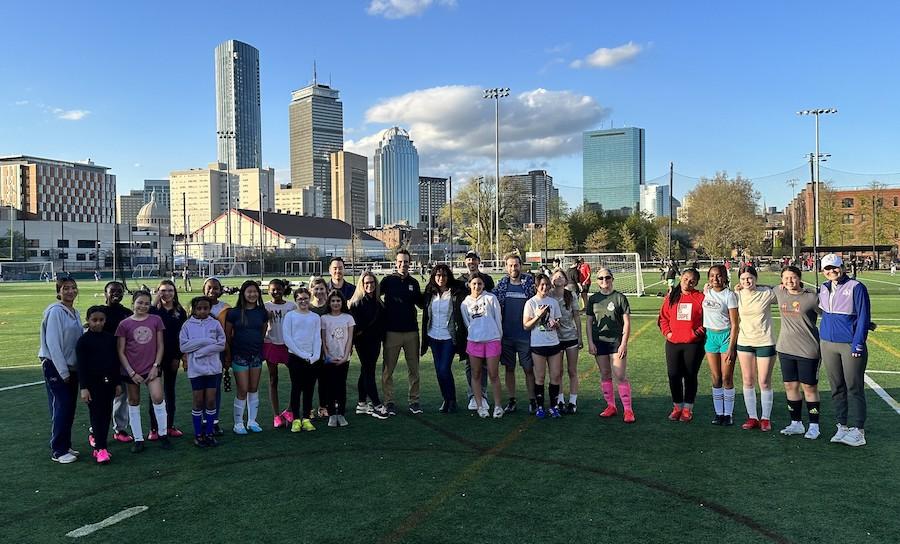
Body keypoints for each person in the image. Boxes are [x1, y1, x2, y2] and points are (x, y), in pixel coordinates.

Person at [818, 254, 872, 446]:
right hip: (827, 344)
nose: (831, 271)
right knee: (836, 387)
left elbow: (864, 316)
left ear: (842, 267)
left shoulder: (856, 287)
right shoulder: (822, 288)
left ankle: (858, 430)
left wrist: (858, 343)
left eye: (834, 267)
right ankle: (842, 425)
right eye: (827, 269)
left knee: (853, 387)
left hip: (850, 345)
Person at [116, 290, 171, 452]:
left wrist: (156, 366)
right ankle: (138, 439)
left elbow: (160, 345)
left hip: (152, 369)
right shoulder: (124, 324)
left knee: (158, 397)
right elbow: (121, 351)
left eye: (147, 303)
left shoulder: (156, 320)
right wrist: (131, 372)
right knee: (133, 401)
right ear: (133, 303)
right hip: (132, 371)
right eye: (140, 302)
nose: (143, 306)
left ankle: (163, 434)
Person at [774, 266, 822, 440]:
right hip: (785, 349)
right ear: (781, 280)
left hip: (808, 350)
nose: (789, 281)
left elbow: (830, 313)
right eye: (786, 278)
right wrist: (741, 286)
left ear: (799, 278)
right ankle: (796, 423)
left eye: (793, 277)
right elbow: (759, 287)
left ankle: (814, 425)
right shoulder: (779, 293)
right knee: (790, 386)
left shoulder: (811, 297)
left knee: (809, 387)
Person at [39, 276, 83, 463]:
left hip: (71, 367)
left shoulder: (74, 312)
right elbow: (53, 343)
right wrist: (63, 371)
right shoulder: (55, 312)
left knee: (68, 408)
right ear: (58, 291)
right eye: (66, 288)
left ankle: (65, 445)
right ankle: (58, 450)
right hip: (56, 367)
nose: (70, 291)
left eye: (73, 288)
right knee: (62, 406)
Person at [380, 250, 425, 415]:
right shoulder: (388, 281)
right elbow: (375, 295)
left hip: (411, 332)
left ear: (409, 263)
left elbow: (421, 303)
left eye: (406, 261)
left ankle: (414, 401)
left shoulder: (414, 282)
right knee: (388, 370)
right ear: (395, 262)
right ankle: (389, 401)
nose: (403, 264)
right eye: (400, 261)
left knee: (414, 369)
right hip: (392, 332)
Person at [586, 268, 634, 423]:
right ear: (597, 281)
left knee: (619, 375)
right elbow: (588, 322)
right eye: (600, 278)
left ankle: (628, 410)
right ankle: (611, 406)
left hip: (616, 342)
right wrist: (590, 342)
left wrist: (624, 343)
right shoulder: (593, 299)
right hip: (599, 342)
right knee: (605, 374)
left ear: (612, 279)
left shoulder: (619, 297)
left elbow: (626, 323)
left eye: (607, 277)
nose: (604, 280)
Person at [657, 268, 705, 422]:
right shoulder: (671, 297)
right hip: (673, 343)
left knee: (690, 376)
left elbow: (708, 319)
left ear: (696, 282)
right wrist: (668, 333)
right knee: (673, 376)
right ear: (681, 278)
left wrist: (696, 333)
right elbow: (663, 318)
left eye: (692, 281)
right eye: (685, 279)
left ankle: (687, 408)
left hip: (693, 344)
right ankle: (677, 406)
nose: (688, 283)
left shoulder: (701, 298)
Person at [734, 266, 778, 432]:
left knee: (764, 381)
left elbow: (781, 290)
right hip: (744, 342)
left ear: (756, 278)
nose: (746, 281)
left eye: (750, 278)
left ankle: (765, 418)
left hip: (765, 342)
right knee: (747, 380)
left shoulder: (766, 293)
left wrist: (764, 285)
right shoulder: (737, 294)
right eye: (743, 278)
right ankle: (752, 417)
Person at [179, 296, 226, 447]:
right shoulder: (187, 325)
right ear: (194, 309)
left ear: (210, 308)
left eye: (206, 308)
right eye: (199, 308)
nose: (203, 311)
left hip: (213, 370)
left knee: (211, 401)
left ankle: (209, 432)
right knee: (198, 401)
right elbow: (184, 347)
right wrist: (206, 341)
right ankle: (198, 434)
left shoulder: (215, 323)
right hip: (196, 371)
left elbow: (221, 344)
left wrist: (202, 351)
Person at [225, 280, 269, 434]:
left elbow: (262, 332)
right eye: (249, 291)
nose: (252, 294)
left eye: (255, 291)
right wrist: (229, 356)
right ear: (243, 293)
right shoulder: (234, 312)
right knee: (242, 390)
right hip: (239, 355)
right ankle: (238, 423)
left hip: (256, 355)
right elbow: (228, 336)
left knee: (253, 388)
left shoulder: (262, 312)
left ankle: (252, 421)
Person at [421, 264, 467, 413]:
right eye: (438, 275)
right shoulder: (430, 292)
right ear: (434, 277)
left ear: (449, 277)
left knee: (444, 368)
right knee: (438, 371)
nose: (441, 278)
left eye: (444, 275)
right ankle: (446, 400)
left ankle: (452, 399)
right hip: (433, 336)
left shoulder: (455, 292)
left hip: (449, 337)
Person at [77, 306, 120, 464]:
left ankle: (100, 443)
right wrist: (84, 388)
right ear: (88, 321)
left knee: (107, 414)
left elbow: (115, 363)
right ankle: (100, 448)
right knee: (96, 415)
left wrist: (117, 383)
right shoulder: (83, 341)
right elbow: (81, 366)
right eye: (94, 320)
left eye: (101, 320)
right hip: (92, 385)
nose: (98, 323)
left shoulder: (110, 338)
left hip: (108, 383)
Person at [495, 253, 537, 413]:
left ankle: (532, 400)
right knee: (509, 369)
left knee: (528, 369)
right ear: (506, 267)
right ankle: (512, 400)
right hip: (507, 336)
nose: (513, 268)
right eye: (511, 265)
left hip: (526, 336)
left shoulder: (529, 285)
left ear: (521, 266)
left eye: (516, 265)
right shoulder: (501, 286)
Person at [148, 279, 187, 440]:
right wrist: (155, 300)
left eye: (170, 290)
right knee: (155, 394)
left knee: (170, 391)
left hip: (172, 356)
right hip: (154, 357)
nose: (167, 293)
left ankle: (169, 425)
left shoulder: (180, 311)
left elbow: (182, 336)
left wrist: (179, 356)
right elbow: (147, 316)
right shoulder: (154, 311)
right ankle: (154, 428)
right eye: (163, 290)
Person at [461, 274, 504, 418]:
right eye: (474, 284)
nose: (477, 286)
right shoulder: (465, 303)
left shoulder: (491, 298)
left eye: (479, 283)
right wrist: (474, 335)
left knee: (493, 374)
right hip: (474, 342)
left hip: (492, 340)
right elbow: (468, 323)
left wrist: (498, 337)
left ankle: (498, 406)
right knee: (476, 373)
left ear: (483, 285)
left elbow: (498, 318)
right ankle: (480, 406)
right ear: (469, 285)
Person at [702, 264, 739, 426]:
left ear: (725, 277)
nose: (715, 279)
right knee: (716, 378)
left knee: (726, 378)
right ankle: (719, 413)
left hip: (726, 338)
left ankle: (728, 414)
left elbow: (735, 324)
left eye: (718, 276)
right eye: (712, 276)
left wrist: (731, 347)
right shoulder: (706, 293)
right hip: (711, 337)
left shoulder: (729, 295)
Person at [349, 272, 389, 419]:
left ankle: (361, 403)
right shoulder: (358, 303)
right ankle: (377, 404)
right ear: (362, 285)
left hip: (375, 342)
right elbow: (358, 326)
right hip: (363, 343)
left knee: (365, 371)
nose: (369, 285)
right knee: (369, 371)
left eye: (372, 282)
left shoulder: (379, 302)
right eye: (366, 283)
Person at [524, 273, 564, 419]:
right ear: (536, 286)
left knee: (555, 376)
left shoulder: (553, 302)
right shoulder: (531, 303)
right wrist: (538, 316)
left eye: (547, 284)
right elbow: (526, 325)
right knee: (539, 377)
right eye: (542, 284)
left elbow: (558, 323)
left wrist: (556, 324)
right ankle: (540, 407)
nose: (545, 287)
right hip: (538, 345)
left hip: (553, 344)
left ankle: (553, 407)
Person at [457, 250, 493, 410]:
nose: (471, 262)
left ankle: (482, 395)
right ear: (465, 262)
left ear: (479, 261)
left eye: (474, 259)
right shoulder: (459, 281)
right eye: (468, 259)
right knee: (469, 364)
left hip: (485, 330)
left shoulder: (487, 279)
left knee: (484, 364)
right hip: (467, 330)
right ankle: (472, 395)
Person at [283, 288, 322, 432]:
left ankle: (306, 418)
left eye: (306, 298)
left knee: (309, 389)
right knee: (296, 388)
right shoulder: (290, 316)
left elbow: (317, 337)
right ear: (295, 300)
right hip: (295, 358)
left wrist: (315, 356)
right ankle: (295, 419)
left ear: (309, 298)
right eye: (300, 299)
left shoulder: (315, 317)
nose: (303, 301)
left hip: (312, 358)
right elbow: (287, 338)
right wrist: (301, 354)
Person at [101, 281, 135, 444]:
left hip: (122, 361)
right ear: (105, 293)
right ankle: (96, 430)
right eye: (112, 291)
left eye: (119, 291)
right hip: (104, 362)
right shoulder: (99, 312)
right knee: (103, 398)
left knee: (122, 395)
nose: (116, 294)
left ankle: (120, 429)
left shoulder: (127, 313)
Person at [264, 279, 296, 429]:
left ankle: (289, 410)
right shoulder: (265, 307)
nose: (276, 292)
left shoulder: (291, 306)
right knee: (273, 379)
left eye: (279, 289)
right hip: (271, 344)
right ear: (268, 291)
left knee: (296, 380)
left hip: (288, 345)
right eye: (273, 290)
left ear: (284, 289)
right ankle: (276, 415)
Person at [321, 290, 355, 427]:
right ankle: (331, 414)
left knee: (341, 386)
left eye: (338, 301)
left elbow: (350, 339)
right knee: (330, 386)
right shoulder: (324, 318)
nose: (336, 303)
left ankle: (340, 414)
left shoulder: (348, 318)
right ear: (329, 303)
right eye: (333, 301)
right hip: (329, 359)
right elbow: (323, 339)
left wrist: (345, 356)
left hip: (343, 358)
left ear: (342, 302)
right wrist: (327, 355)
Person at [551, 269, 583, 414]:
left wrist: (580, 337)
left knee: (572, 370)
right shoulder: (548, 295)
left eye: (561, 276)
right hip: (554, 339)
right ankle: (560, 400)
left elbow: (577, 316)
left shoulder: (571, 295)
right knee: (557, 372)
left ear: (565, 280)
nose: (558, 278)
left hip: (570, 337)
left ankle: (573, 401)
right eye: (555, 276)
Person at [203, 277, 231, 436]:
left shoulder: (225, 308)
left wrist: (227, 354)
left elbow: (228, 334)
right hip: (199, 355)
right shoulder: (197, 306)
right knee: (201, 389)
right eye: (209, 288)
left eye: (216, 288)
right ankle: (202, 421)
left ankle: (214, 421)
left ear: (221, 290)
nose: (212, 291)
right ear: (204, 289)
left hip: (218, 353)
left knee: (215, 388)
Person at [308, 276, 331, 419]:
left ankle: (323, 406)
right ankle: (308, 407)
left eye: (321, 288)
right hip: (310, 350)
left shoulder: (330, 306)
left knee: (324, 380)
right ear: (311, 290)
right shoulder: (307, 307)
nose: (319, 291)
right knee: (309, 381)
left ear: (326, 290)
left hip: (327, 349)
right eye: (316, 288)